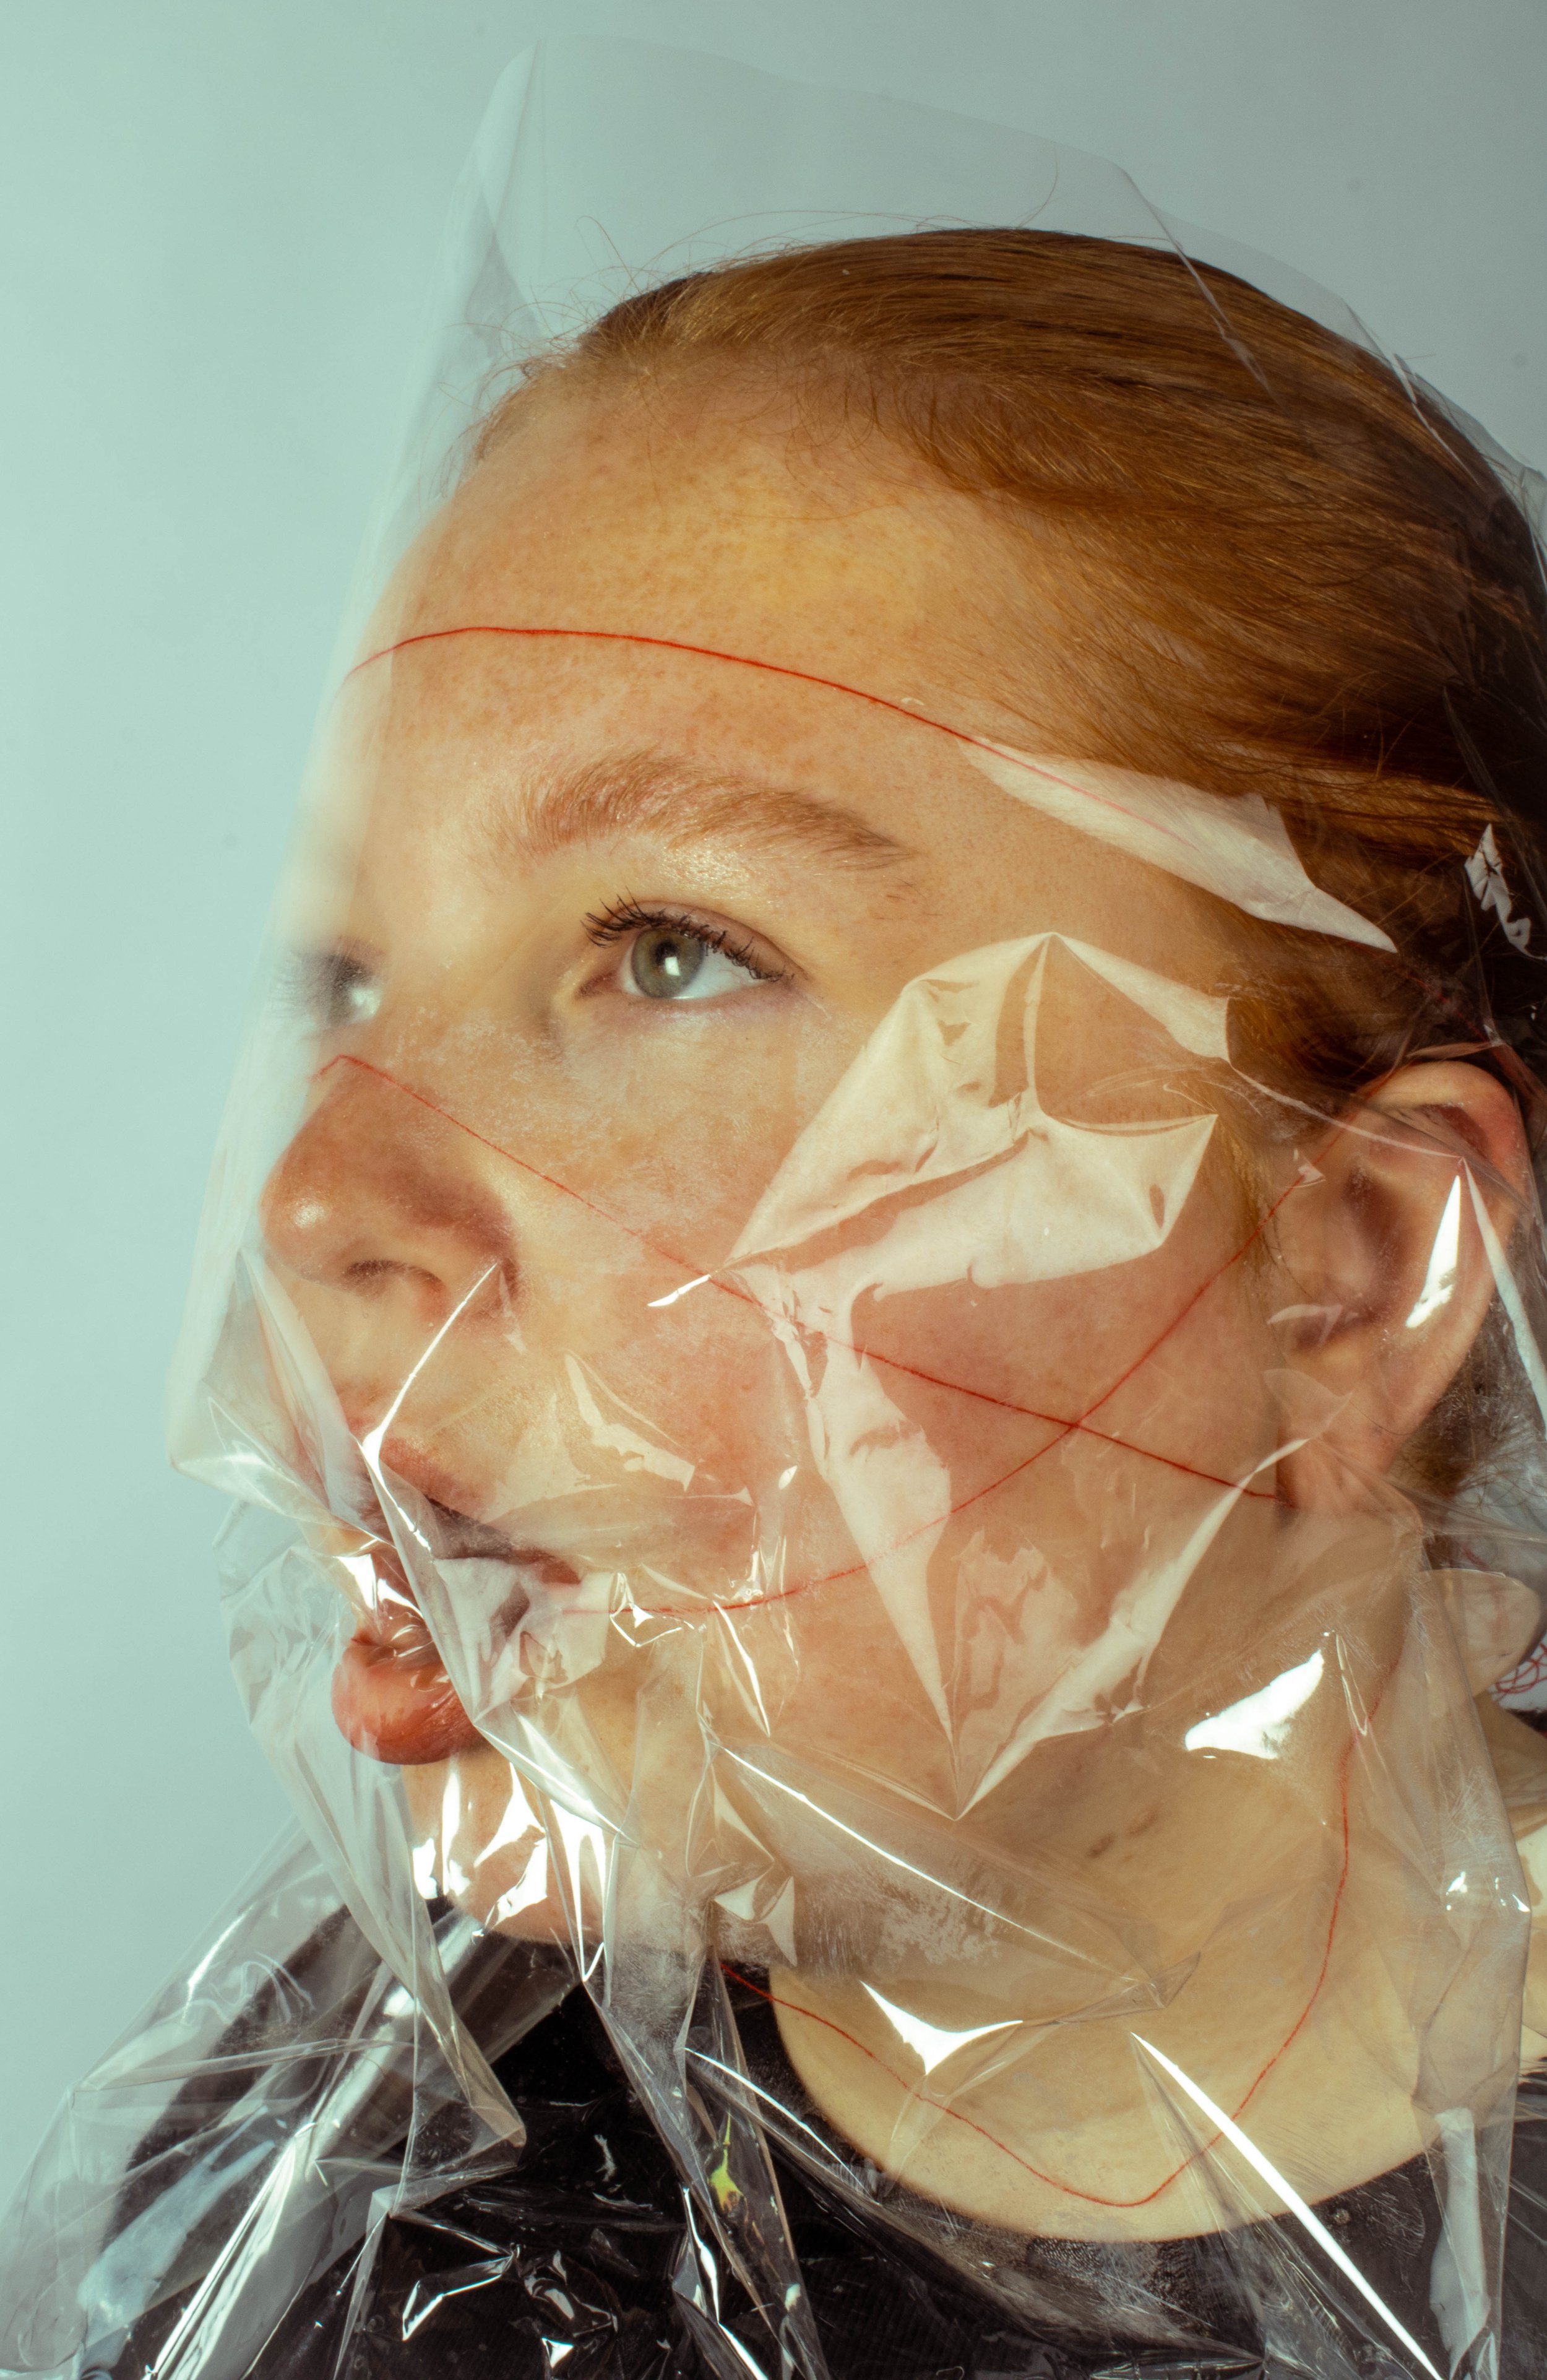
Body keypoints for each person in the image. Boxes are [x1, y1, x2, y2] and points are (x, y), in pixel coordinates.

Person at [14, 225, 1547, 2379]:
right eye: (350, 981)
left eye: (671, 953)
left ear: (1356, 1274)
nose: (315, 1200)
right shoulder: (360, 2183)